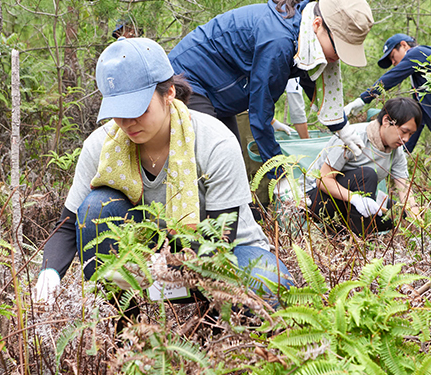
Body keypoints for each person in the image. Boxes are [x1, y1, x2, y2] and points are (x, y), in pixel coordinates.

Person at [32, 37, 294, 307]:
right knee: (96, 206)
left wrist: (160, 272)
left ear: (169, 93)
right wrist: (49, 273)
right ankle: (125, 327)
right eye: (117, 111)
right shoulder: (102, 145)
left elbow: (219, 241)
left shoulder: (214, 142)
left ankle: (216, 320)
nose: (127, 122)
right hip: (145, 261)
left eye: (138, 109)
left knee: (270, 285)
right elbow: (66, 227)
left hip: (224, 255)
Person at [168, 0, 375, 177]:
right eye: (339, 48)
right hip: (189, 80)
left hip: (220, 92)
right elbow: (260, 113)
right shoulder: (279, 41)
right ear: (318, 25)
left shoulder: (304, 34)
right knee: (213, 165)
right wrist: (279, 176)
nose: (338, 57)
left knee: (232, 165)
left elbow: (310, 78)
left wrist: (342, 127)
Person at [344, 34, 431, 156]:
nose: (394, 63)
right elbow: (419, 119)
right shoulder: (421, 80)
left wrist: (363, 99)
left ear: (404, 45)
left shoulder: (418, 52)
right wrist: (404, 152)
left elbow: (392, 76)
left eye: (393, 57)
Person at [306, 97, 422, 236]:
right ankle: (358, 240)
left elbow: (404, 190)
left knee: (396, 213)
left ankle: (341, 231)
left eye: (411, 134)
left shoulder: (396, 151)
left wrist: (417, 221)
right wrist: (355, 199)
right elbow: (323, 179)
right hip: (316, 199)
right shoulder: (353, 136)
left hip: (353, 201)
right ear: (386, 121)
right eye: (404, 131)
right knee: (367, 175)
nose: (406, 139)